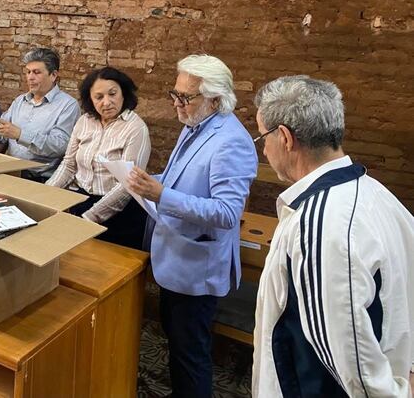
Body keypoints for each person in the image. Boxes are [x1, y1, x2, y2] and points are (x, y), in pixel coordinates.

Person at [251, 75, 414, 397]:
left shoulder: (320, 223)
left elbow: (349, 355)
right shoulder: (377, 193)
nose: (264, 150)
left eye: (262, 138)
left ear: (284, 137)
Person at [128, 54, 257, 397]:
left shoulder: (231, 141)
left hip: (197, 267)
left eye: (186, 97)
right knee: (177, 341)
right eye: (176, 94)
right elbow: (180, 180)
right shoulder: (197, 124)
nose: (177, 104)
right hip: (178, 257)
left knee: (190, 354)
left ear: (215, 99)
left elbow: (228, 212)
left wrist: (161, 193)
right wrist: (144, 180)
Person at [46, 67, 150, 249]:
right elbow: (69, 165)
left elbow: (127, 185)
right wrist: (44, 196)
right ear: (90, 99)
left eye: (112, 94)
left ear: (123, 93)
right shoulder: (85, 121)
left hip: (119, 214)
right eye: (99, 97)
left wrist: (89, 218)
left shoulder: (136, 128)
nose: (107, 102)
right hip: (81, 202)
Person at [0, 47, 80, 182]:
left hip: (42, 179)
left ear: (53, 75)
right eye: (28, 72)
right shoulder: (20, 101)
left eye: (37, 72)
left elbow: (59, 147)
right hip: (10, 172)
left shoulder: (68, 105)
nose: (30, 77)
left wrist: (20, 135)